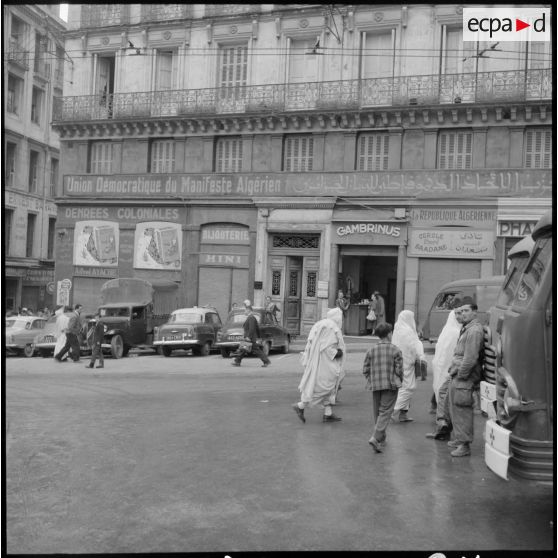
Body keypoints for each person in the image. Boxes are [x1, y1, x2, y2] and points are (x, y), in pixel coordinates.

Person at [292, 307, 346, 423]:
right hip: (325, 363)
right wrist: (338, 353)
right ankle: (301, 405)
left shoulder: (320, 324)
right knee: (325, 387)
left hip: (317, 362)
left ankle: (328, 414)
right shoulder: (331, 327)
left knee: (326, 388)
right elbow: (327, 348)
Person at [446, 298, 485, 457]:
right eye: (461, 311)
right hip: (458, 375)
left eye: (466, 311)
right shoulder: (467, 328)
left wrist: (461, 375)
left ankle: (464, 445)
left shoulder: (474, 330)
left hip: (464, 377)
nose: (462, 314)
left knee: (462, 410)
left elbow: (470, 358)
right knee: (455, 408)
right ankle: (459, 438)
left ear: (475, 312)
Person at [426, 303, 464, 441]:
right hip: (449, 370)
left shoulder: (446, 330)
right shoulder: (455, 332)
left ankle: (443, 428)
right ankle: (444, 428)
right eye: (458, 314)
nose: (460, 317)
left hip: (442, 369)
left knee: (443, 397)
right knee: (446, 398)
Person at [363, 322, 404, 452]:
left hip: (375, 384)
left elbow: (365, 369)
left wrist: (372, 379)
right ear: (389, 334)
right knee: (386, 412)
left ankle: (381, 437)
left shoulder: (371, 350)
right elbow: (399, 370)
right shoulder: (395, 350)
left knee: (377, 411)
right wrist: (399, 380)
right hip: (391, 384)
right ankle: (375, 437)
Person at [391, 310, 425, 422]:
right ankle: (394, 412)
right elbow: (413, 346)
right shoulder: (408, 331)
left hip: (397, 362)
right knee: (408, 387)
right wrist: (420, 355)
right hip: (407, 362)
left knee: (402, 387)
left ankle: (403, 414)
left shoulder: (398, 328)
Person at [231, 300, 271, 368]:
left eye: (245, 310)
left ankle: (266, 361)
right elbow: (256, 328)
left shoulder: (251, 318)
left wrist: (248, 337)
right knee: (243, 349)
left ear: (249, 310)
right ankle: (237, 361)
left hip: (250, 338)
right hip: (250, 337)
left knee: (254, 350)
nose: (244, 312)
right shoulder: (251, 317)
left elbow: (252, 328)